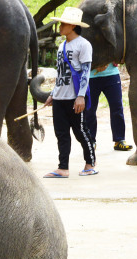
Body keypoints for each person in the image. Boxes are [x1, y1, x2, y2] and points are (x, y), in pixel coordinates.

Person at [41, 8, 97, 178]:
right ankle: (63, 167)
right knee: (61, 133)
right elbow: (60, 73)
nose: (60, 26)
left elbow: (85, 72)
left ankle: (90, 164)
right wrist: (53, 94)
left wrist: (81, 96)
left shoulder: (84, 45)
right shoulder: (62, 46)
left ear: (72, 26)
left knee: (80, 131)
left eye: (63, 23)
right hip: (59, 97)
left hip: (75, 97)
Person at [86, 62, 133, 151]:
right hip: (91, 76)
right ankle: (90, 141)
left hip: (112, 74)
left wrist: (109, 61)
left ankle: (119, 140)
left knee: (117, 107)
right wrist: (95, 66)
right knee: (90, 110)